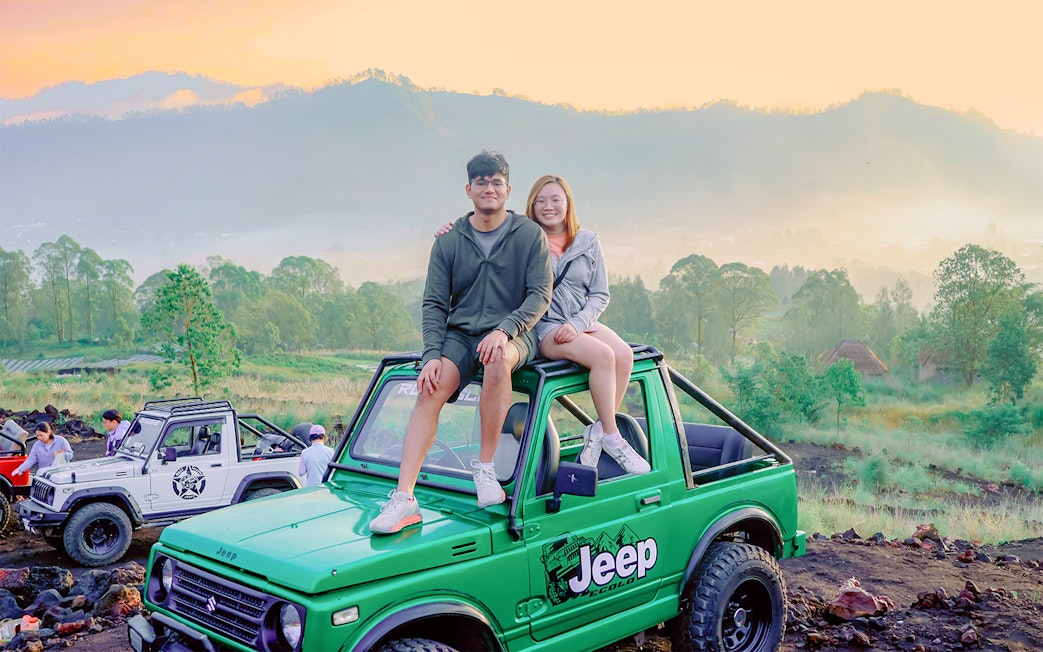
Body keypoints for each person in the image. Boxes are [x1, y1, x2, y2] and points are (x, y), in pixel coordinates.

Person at [369, 150, 552, 535]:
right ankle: (404, 498)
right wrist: (432, 354)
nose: (489, 188)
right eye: (481, 182)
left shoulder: (528, 236)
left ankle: (484, 468)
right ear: (469, 190)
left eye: (496, 182)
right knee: (428, 388)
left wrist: (504, 330)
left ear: (508, 190)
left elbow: (539, 295)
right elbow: (435, 303)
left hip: (514, 334)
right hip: (460, 335)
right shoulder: (449, 241)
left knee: (498, 360)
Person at [435, 174, 647, 474]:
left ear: (568, 203)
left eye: (556, 200)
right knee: (604, 356)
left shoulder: (588, 242)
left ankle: (599, 431)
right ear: (531, 206)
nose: (549, 207)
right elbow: (482, 230)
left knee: (624, 355)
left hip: (582, 321)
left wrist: (578, 323)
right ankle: (613, 437)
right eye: (541, 201)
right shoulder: (522, 239)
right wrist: (451, 231)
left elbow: (600, 294)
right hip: (544, 326)